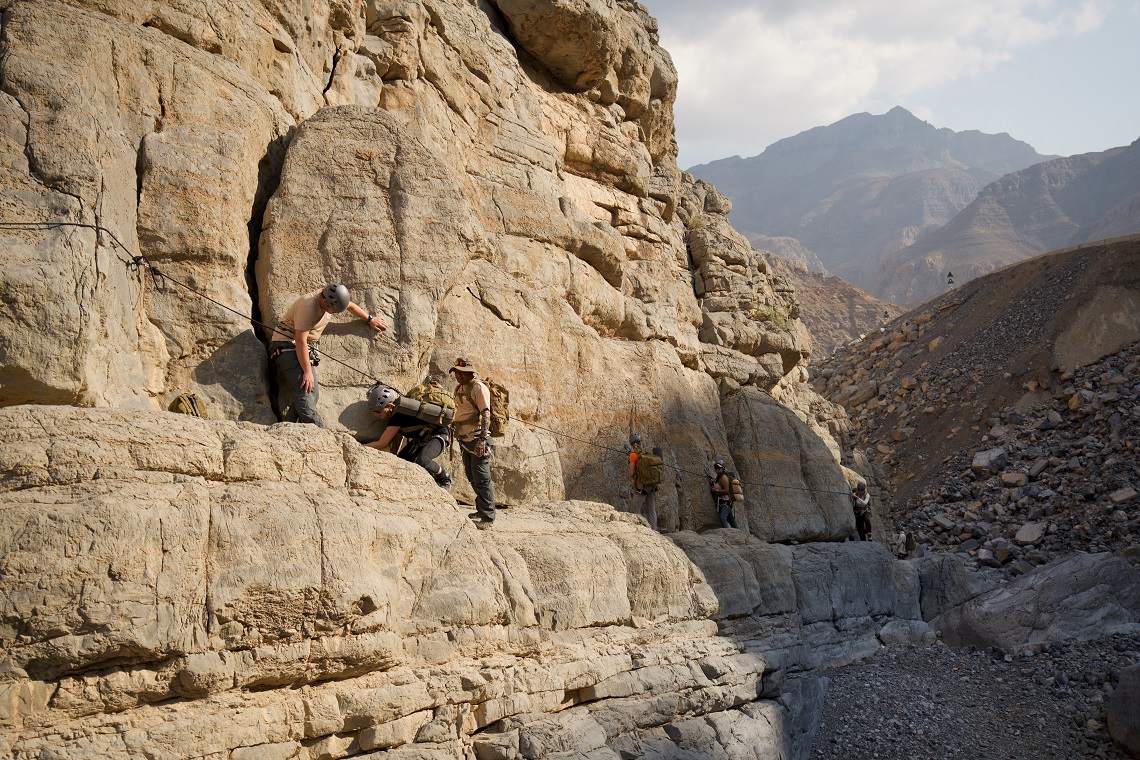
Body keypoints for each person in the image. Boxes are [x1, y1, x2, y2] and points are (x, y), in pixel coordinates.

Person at [268, 283, 386, 426]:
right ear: (324, 301)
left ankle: (288, 428)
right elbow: (300, 340)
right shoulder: (308, 306)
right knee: (305, 389)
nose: (334, 313)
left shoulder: (333, 298)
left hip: (299, 348)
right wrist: (307, 371)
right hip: (286, 346)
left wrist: (370, 319)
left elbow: (350, 306)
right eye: (333, 310)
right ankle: (318, 430)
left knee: (312, 394)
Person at [364, 380, 452, 489]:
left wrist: (360, 447)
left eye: (379, 411)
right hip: (423, 438)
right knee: (401, 462)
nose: (377, 415)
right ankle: (430, 477)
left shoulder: (398, 416)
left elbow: (382, 443)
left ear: (389, 405)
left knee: (423, 459)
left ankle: (444, 476)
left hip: (440, 435)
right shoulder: (398, 413)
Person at [450, 358, 495, 525]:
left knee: (482, 479)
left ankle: (488, 518)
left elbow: (486, 413)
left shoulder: (478, 387)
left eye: (462, 373)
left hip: (477, 439)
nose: (459, 375)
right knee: (472, 477)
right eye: (457, 372)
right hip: (465, 439)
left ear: (470, 373)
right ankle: (481, 508)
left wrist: (482, 440)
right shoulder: (460, 388)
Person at [627, 434, 659, 531]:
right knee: (651, 509)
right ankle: (654, 531)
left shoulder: (633, 455)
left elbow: (631, 473)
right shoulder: (647, 454)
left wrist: (636, 475)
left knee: (634, 509)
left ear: (632, 445)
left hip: (642, 486)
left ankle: (638, 530)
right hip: (652, 485)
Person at [710, 459, 738, 529]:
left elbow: (726, 490)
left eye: (718, 467)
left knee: (723, 518)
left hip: (726, 502)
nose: (716, 469)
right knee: (731, 520)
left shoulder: (724, 477)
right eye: (715, 467)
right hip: (722, 501)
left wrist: (715, 490)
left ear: (722, 468)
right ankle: (740, 535)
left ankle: (727, 535)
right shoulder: (719, 477)